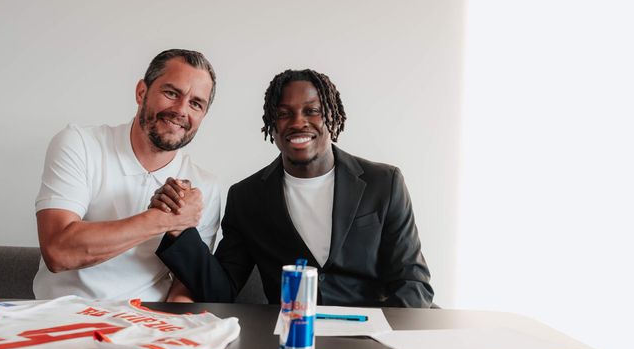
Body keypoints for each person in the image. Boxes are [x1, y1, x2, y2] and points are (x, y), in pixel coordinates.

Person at [153, 69, 433, 307]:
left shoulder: (383, 183)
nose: (298, 122)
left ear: (332, 118)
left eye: (312, 111)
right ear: (271, 125)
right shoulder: (247, 197)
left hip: (370, 341)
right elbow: (221, 290)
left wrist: (383, 342)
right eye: (284, 114)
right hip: (289, 340)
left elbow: (412, 284)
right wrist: (180, 232)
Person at [32, 49, 219, 302]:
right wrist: (164, 220)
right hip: (64, 320)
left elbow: (186, 285)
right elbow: (58, 252)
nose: (181, 110)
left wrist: (175, 331)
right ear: (141, 92)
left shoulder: (205, 186)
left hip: (147, 325)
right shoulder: (79, 144)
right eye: (171, 93)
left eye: (196, 103)